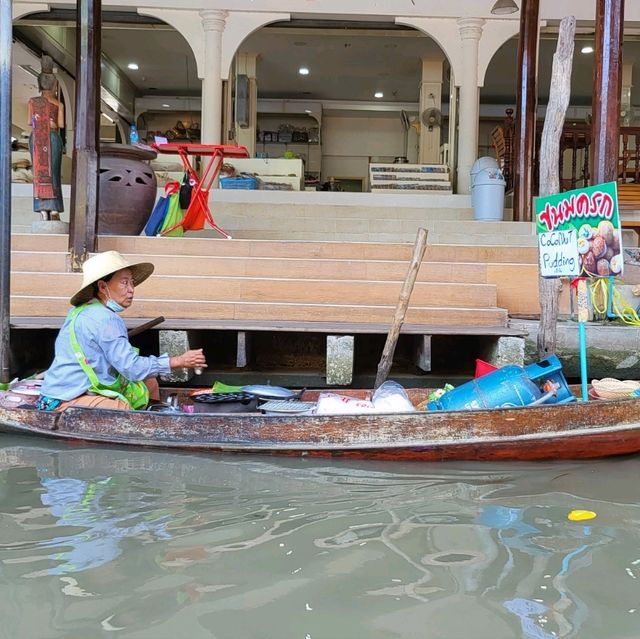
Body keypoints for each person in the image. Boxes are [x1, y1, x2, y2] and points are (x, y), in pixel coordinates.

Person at [37, 251, 206, 411]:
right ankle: (145, 425)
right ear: (103, 287)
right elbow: (131, 368)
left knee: (149, 382)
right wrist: (179, 361)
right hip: (65, 399)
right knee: (121, 411)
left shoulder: (80, 311)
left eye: (132, 282)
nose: (131, 289)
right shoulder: (106, 318)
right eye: (124, 282)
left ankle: (153, 415)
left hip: (67, 390)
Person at [28, 55, 65, 221]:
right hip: (47, 136)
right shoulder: (57, 104)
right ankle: (50, 209)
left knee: (46, 173)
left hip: (40, 137)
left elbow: (31, 122)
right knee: (47, 173)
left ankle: (46, 209)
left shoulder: (34, 102)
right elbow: (60, 125)